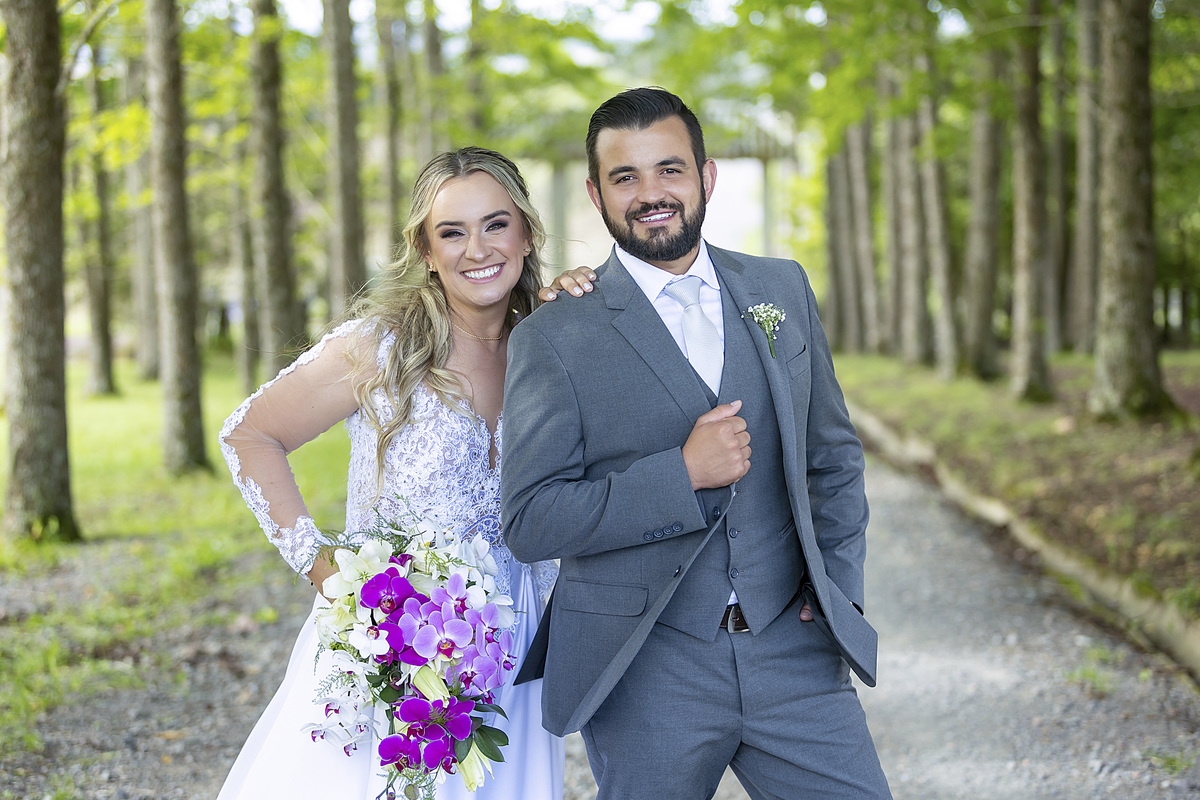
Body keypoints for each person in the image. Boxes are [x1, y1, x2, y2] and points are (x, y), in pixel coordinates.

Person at [501, 87, 893, 799]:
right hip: (647, 665)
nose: (651, 194)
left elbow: (831, 457)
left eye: (669, 170)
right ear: (596, 194)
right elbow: (531, 521)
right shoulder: (555, 336)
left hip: (795, 653)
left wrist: (838, 591)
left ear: (706, 177)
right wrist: (679, 475)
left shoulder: (781, 288)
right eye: (626, 177)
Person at [217, 146, 595, 800]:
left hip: (519, 647)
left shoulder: (556, 340)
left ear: (527, 232)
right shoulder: (381, 346)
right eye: (452, 231)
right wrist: (328, 573)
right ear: (426, 249)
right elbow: (250, 434)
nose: (477, 248)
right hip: (400, 641)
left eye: (495, 224)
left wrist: (580, 310)